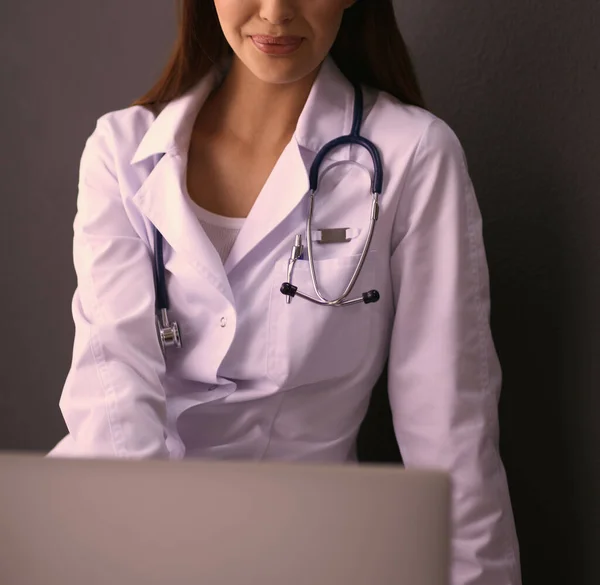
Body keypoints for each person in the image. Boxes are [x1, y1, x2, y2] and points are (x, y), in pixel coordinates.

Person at [49, 0, 521, 583]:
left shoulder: (412, 156)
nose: (275, 12)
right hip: (109, 536)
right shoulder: (120, 152)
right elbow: (111, 403)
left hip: (296, 550)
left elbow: (452, 430)